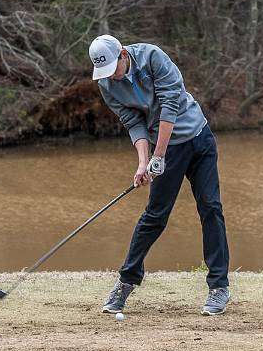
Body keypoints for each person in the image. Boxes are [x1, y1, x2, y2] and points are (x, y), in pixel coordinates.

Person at [88, 34, 231, 316]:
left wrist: (159, 156)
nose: (111, 77)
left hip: (198, 139)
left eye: (113, 69)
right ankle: (126, 282)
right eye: (104, 73)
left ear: (123, 55)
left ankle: (219, 287)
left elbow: (170, 105)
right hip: (164, 149)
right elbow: (133, 122)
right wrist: (143, 163)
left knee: (211, 208)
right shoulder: (107, 84)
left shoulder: (152, 57)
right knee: (155, 216)